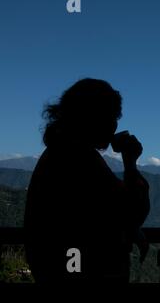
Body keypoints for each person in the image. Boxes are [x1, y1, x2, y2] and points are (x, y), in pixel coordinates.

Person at [24, 78, 150, 283]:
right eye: (110, 116)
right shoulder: (79, 158)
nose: (114, 125)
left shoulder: (60, 152)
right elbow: (130, 211)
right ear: (91, 117)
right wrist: (130, 164)